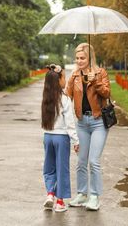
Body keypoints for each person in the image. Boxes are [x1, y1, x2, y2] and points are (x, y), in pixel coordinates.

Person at [66, 43, 111, 211]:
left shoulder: (101, 73)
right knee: (81, 161)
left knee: (94, 161)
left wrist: (96, 82)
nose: (79, 61)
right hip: (81, 123)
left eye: (82, 58)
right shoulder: (75, 75)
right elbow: (67, 96)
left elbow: (106, 93)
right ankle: (82, 194)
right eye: (77, 58)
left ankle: (94, 197)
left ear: (89, 57)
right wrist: (68, 79)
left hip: (98, 122)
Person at [41, 64, 79, 212]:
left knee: (49, 168)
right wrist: (76, 141)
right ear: (58, 81)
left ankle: (50, 194)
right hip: (61, 138)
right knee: (61, 169)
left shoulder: (46, 98)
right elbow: (70, 123)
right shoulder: (64, 99)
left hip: (48, 137)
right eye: (63, 77)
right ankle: (60, 202)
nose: (65, 79)